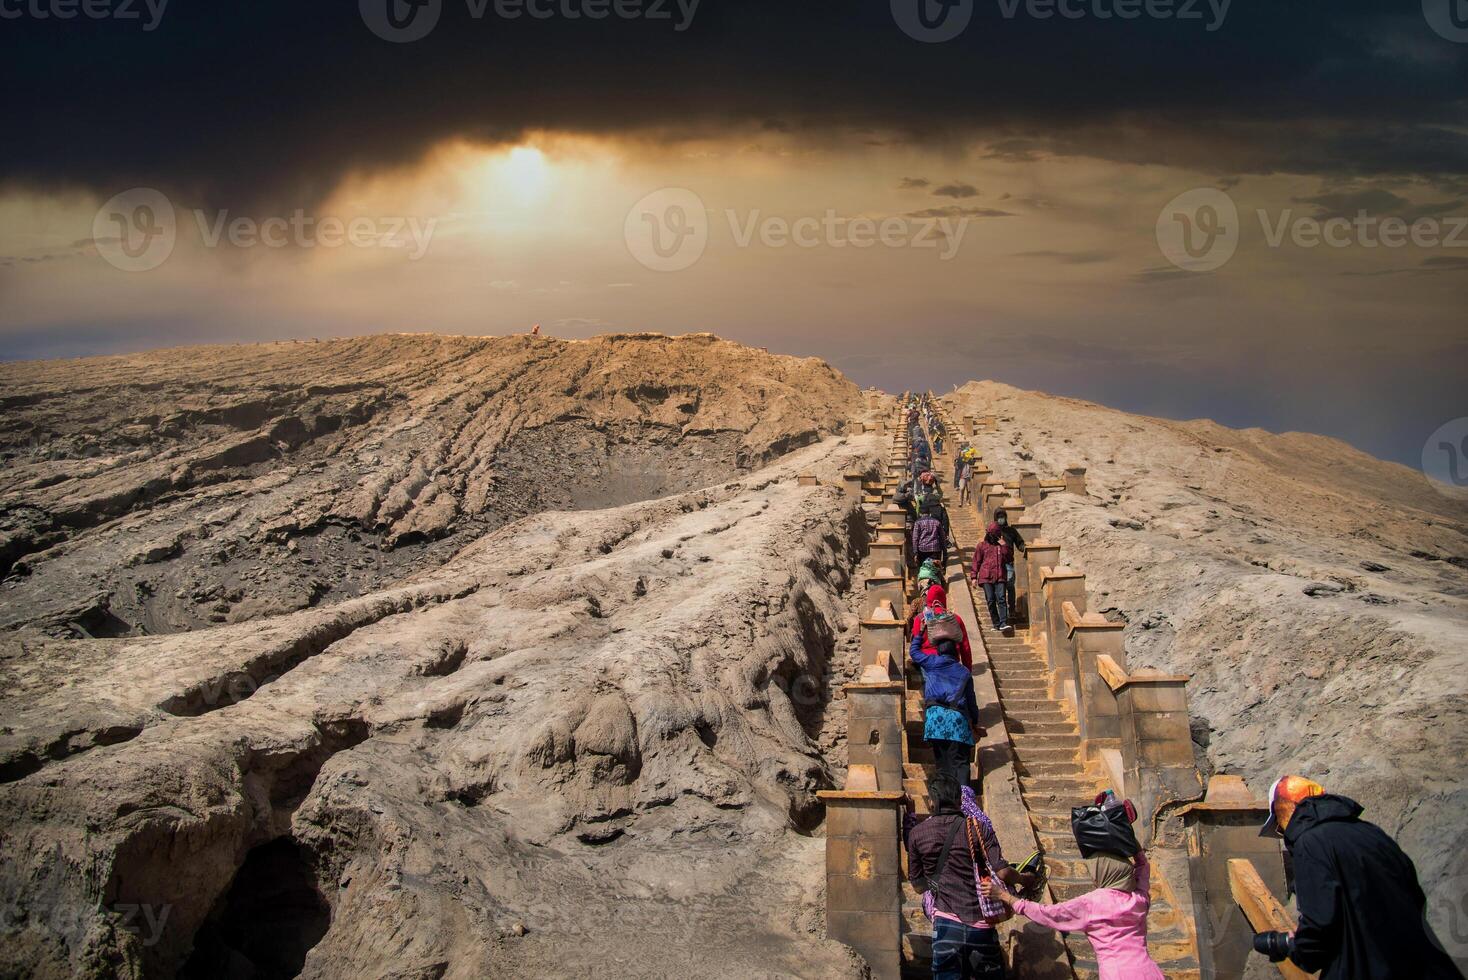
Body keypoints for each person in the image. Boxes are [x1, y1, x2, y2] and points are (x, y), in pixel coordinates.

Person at [1249, 775, 1463, 979]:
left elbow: (1320, 923)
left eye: (1278, 825)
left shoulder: (1310, 843)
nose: (1283, 832)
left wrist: (1290, 945)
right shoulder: (1371, 833)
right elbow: (1414, 897)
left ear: (1284, 810)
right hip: (1423, 968)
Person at [908, 776, 1038, 979]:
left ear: (931, 802)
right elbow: (1003, 872)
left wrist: (937, 880)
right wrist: (1024, 879)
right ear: (960, 800)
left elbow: (917, 886)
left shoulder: (918, 833)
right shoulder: (977, 828)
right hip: (980, 922)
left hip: (945, 921)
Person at [983, 849, 1164, 980]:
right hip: (1150, 971)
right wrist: (1133, 847)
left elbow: (1048, 914)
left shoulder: (1092, 903)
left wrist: (1005, 896)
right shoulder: (1139, 900)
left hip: (1117, 973)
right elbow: (1143, 867)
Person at [910, 619, 979, 788]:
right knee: (961, 762)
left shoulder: (932, 663)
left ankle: (945, 802)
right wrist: (975, 722)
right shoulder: (964, 672)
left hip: (935, 720)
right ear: (955, 653)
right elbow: (971, 700)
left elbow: (914, 652)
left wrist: (920, 633)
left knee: (942, 763)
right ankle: (966, 803)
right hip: (958, 720)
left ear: (939, 652)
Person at [970, 522, 1013, 632]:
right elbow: (976, 561)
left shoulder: (1002, 546)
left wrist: (1004, 545)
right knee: (990, 600)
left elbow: (1009, 558)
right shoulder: (982, 546)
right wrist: (974, 577)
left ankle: (1003, 623)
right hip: (986, 576)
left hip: (1000, 576)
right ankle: (996, 623)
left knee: (1002, 599)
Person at [992, 508, 1025, 619]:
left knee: (1010, 586)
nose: (1001, 519)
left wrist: (1024, 548)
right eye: (999, 517)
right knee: (999, 589)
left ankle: (1011, 610)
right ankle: (1002, 612)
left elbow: (1020, 543)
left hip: (1008, 563)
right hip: (996, 565)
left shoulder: (1011, 531)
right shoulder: (992, 532)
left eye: (1003, 516)